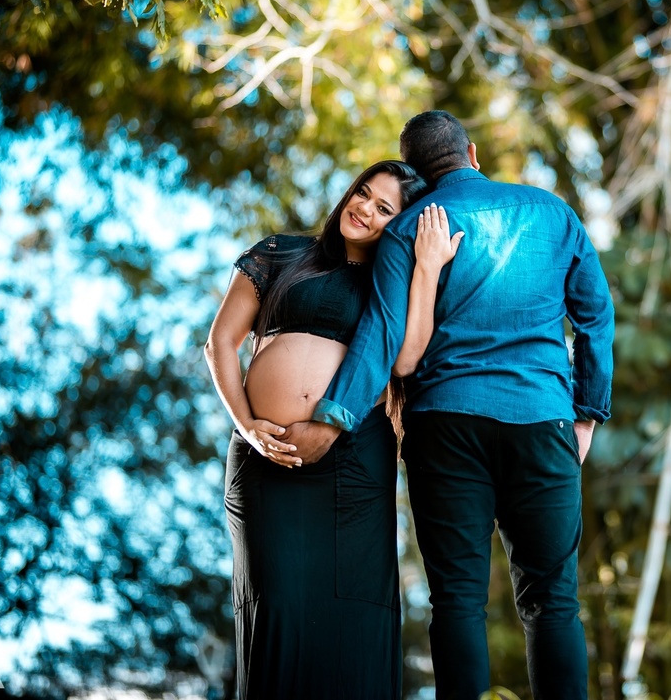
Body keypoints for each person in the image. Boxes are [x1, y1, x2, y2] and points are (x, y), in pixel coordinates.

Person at [284, 111, 616, 699]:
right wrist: (586, 413)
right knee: (553, 600)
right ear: (472, 152)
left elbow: (384, 337)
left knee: (457, 601)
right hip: (542, 420)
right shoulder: (551, 212)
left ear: (414, 171)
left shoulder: (406, 230)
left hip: (444, 428)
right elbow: (595, 318)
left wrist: (331, 418)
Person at [204, 160, 463, 699]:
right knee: (276, 606)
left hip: (355, 466)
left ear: (400, 223)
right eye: (363, 193)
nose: (364, 209)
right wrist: (248, 426)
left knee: (353, 613)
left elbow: (407, 357)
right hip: (265, 460)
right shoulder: (280, 253)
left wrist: (428, 268)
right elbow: (220, 343)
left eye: (384, 207)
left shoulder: (391, 283)